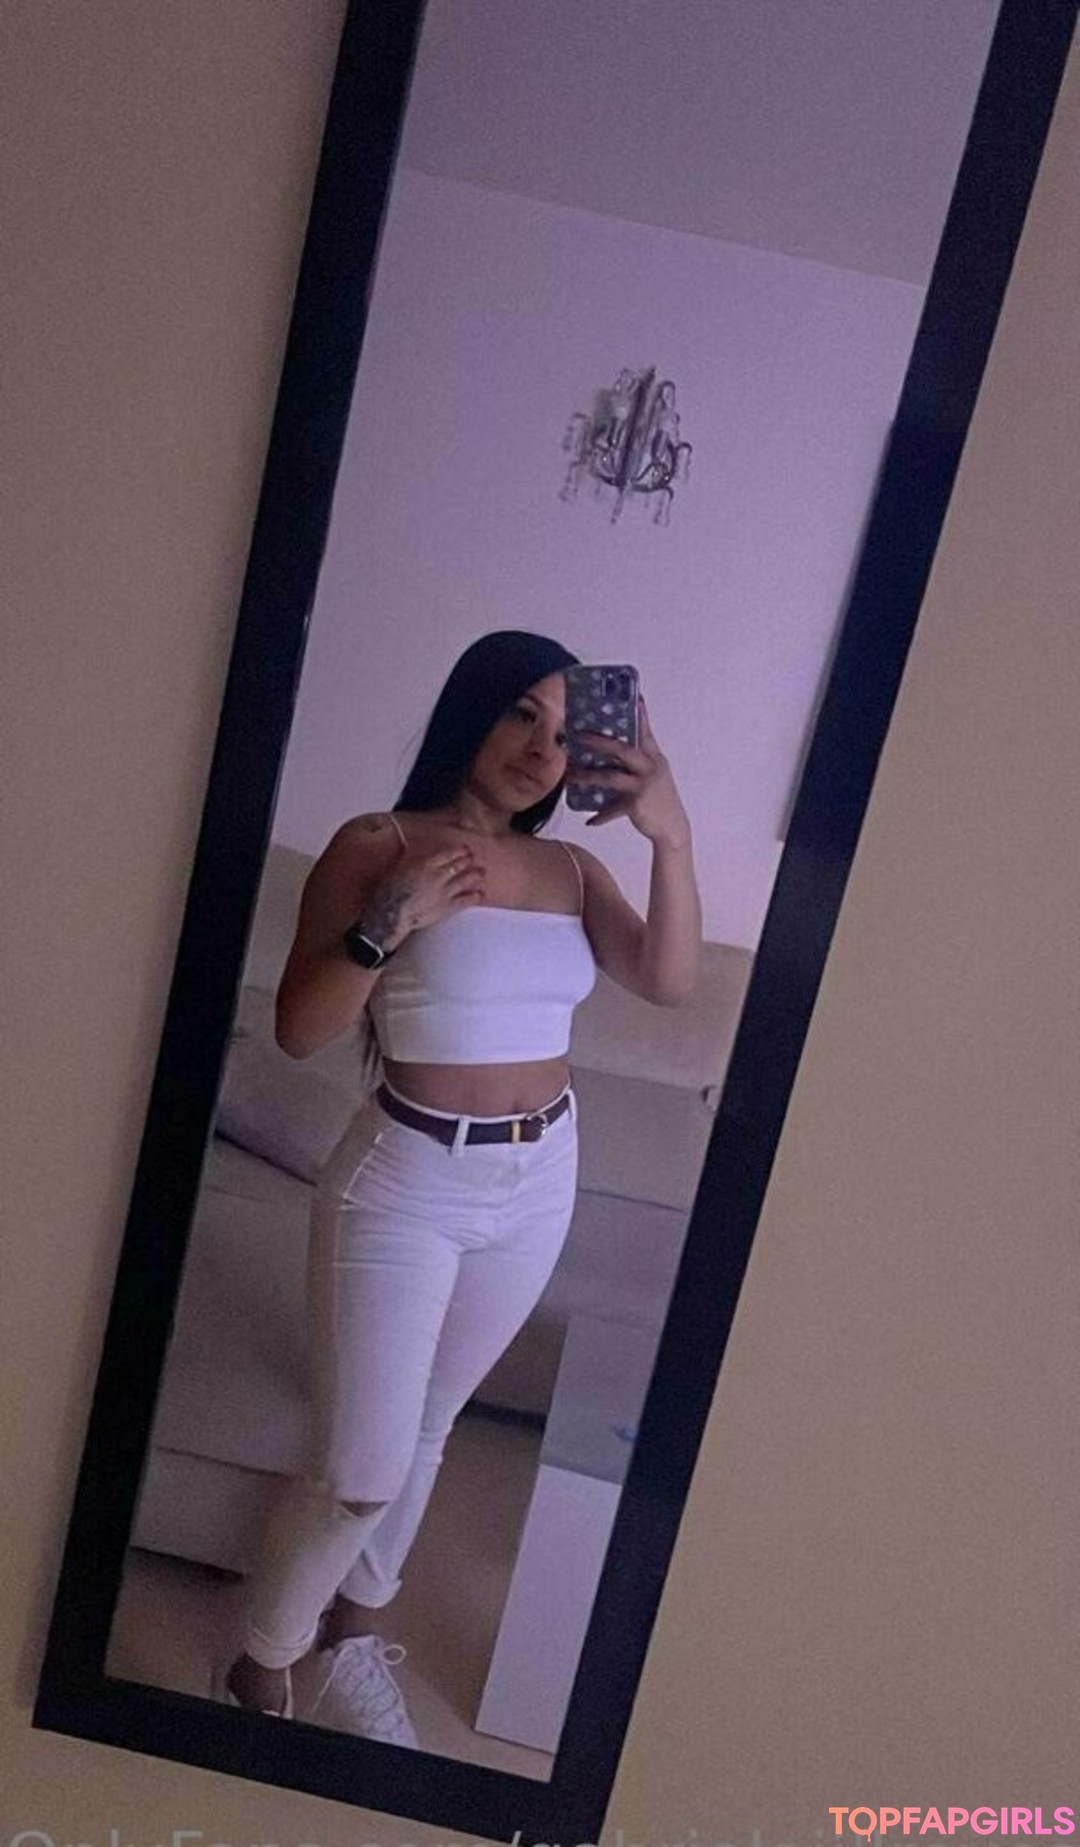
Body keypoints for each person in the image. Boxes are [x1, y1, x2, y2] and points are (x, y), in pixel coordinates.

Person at [214, 630, 702, 1744]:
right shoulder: (377, 841)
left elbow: (669, 980)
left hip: (540, 1174)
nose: (542, 748)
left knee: (433, 1425)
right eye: (522, 712)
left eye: (567, 731)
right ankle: (261, 1660)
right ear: (471, 711)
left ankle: (349, 1638)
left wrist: (668, 831)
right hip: (406, 1182)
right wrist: (386, 921)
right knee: (360, 1468)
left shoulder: (575, 870)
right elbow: (299, 1030)